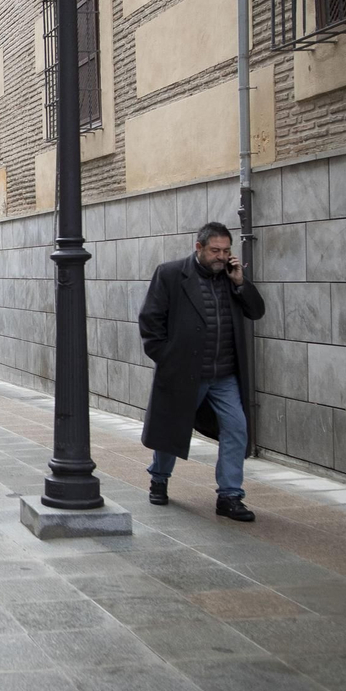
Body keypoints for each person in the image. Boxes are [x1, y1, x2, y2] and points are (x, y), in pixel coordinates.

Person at [138, 221, 266, 522]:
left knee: (236, 429)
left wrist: (240, 283)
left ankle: (230, 496)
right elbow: (150, 320)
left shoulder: (231, 278)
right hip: (184, 371)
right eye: (215, 251)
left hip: (224, 375)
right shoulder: (171, 274)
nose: (221, 256)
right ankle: (159, 478)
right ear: (199, 248)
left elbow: (256, 311)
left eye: (226, 251)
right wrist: (167, 358)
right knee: (172, 428)